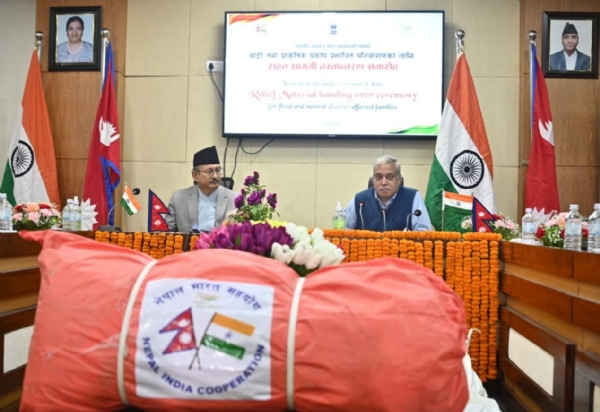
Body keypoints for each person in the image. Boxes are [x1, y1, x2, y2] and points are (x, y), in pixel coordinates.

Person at [345, 155, 431, 231]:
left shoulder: (413, 198)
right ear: (373, 179)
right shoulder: (360, 200)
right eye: (379, 177)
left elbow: (424, 233)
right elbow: (342, 231)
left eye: (389, 177)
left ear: (399, 179)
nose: (383, 182)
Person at [166, 146, 236, 233]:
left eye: (218, 170)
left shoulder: (235, 199)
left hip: (221, 242)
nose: (215, 176)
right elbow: (166, 231)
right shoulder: (178, 198)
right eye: (209, 171)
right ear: (195, 175)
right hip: (190, 242)